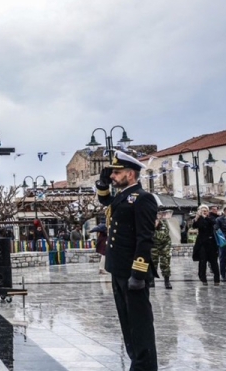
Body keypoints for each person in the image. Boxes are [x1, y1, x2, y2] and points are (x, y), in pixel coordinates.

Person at [95, 151, 157, 370]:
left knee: (140, 325)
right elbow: (106, 201)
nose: (113, 176)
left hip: (132, 273)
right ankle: (137, 364)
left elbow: (145, 239)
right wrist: (102, 184)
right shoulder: (124, 196)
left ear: (130, 174)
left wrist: (138, 274)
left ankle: (145, 366)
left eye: (117, 172)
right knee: (127, 323)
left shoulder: (143, 198)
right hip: (119, 270)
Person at [192, 205, 220, 285]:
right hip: (202, 243)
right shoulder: (199, 219)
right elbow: (196, 226)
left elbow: (214, 223)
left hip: (211, 243)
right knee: (202, 261)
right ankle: (203, 278)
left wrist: (206, 217)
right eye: (203, 210)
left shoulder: (211, 218)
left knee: (214, 261)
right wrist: (199, 217)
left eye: (206, 210)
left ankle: (217, 279)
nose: (205, 212)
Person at [150, 217, 173, 289]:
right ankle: (151, 280)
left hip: (164, 245)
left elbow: (162, 236)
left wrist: (152, 231)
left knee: (165, 263)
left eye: (156, 221)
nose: (155, 223)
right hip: (153, 245)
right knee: (153, 263)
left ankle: (167, 281)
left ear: (158, 220)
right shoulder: (148, 225)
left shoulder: (164, 225)